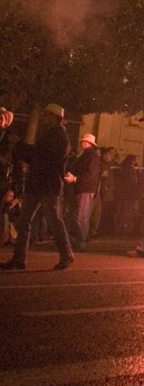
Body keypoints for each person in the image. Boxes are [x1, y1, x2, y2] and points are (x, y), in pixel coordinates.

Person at [0, 103, 74, 271]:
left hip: (47, 186)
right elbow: (37, 155)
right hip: (39, 184)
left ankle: (66, 254)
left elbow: (41, 157)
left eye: (47, 115)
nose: (44, 118)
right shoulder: (50, 134)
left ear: (55, 118)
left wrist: (20, 147)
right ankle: (19, 259)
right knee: (24, 221)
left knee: (54, 222)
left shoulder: (60, 137)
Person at [65, 133, 101, 251]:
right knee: (79, 216)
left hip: (85, 189)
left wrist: (75, 178)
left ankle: (81, 242)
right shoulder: (87, 155)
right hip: (82, 188)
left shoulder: (91, 156)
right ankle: (78, 241)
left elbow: (90, 175)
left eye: (84, 141)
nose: (82, 143)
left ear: (88, 143)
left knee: (82, 217)